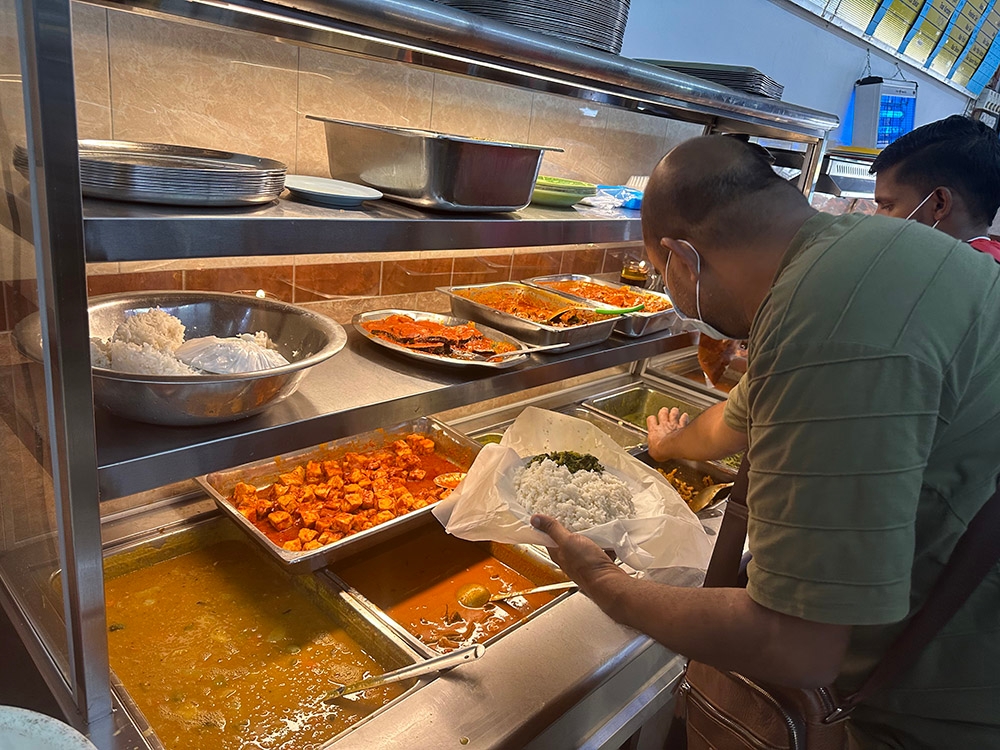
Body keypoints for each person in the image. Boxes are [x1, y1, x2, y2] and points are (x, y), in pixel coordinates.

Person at [531, 135, 1000, 748]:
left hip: (952, 701)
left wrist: (607, 585)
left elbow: (796, 644)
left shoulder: (828, 327)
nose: (667, 290)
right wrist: (669, 447)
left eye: (655, 272)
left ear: (680, 258)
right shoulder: (861, 256)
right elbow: (731, 420)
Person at [649, 115, 1000, 463]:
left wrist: (671, 444)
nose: (875, 220)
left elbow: (748, 417)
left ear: (939, 204)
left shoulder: (901, 294)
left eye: (887, 204)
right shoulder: (981, 272)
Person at [870, 114, 1000, 260]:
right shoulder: (990, 262)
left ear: (940, 204)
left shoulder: (940, 275)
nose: (876, 217)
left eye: (888, 206)